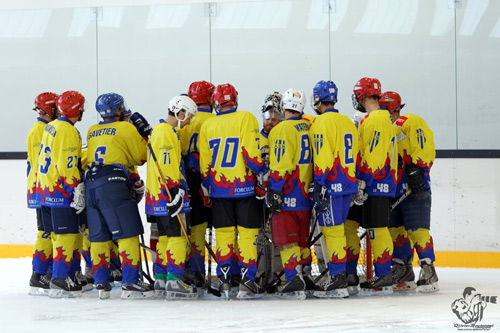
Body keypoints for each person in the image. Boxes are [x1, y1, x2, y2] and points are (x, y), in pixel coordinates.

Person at [198, 83, 267, 299]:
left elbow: (205, 164)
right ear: (235, 100)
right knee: (247, 236)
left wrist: (209, 187)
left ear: (216, 102)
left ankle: (225, 282)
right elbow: (252, 154)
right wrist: (261, 173)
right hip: (245, 189)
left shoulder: (208, 125)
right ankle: (247, 281)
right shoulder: (246, 118)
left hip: (219, 191)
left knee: (225, 235)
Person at [85, 92, 152, 299]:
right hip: (113, 183)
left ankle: (101, 284)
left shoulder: (92, 130)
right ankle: (130, 282)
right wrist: (145, 134)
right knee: (127, 234)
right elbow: (142, 156)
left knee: (99, 236)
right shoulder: (125, 127)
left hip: (91, 183)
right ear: (119, 109)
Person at [379, 91, 439, 293]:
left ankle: (428, 271)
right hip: (394, 189)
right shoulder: (384, 128)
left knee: (417, 230)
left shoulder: (410, 121)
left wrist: (418, 169)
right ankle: (403, 271)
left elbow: (424, 144)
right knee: (395, 231)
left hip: (415, 188)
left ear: (394, 107)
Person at [309, 80, 359, 298]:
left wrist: (319, 182)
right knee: (339, 230)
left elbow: (323, 156)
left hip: (331, 185)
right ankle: (343, 276)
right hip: (348, 184)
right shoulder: (347, 121)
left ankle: (337, 278)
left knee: (332, 231)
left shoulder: (321, 123)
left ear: (318, 99)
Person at [146, 95, 198, 299]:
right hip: (169, 196)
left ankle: (161, 278)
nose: (188, 122)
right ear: (180, 112)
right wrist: (175, 190)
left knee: (165, 238)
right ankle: (174, 281)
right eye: (189, 117)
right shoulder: (168, 132)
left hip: (157, 197)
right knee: (177, 237)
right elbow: (167, 165)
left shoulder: (158, 131)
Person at [35, 90, 86, 298]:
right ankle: (60, 278)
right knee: (66, 236)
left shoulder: (51, 126)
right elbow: (66, 163)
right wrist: (74, 187)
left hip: (45, 189)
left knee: (56, 236)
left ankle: (61, 275)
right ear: (77, 110)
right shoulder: (67, 130)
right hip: (60, 192)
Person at [351, 77, 397, 295]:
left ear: (362, 95)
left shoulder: (378, 118)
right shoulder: (376, 118)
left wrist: (363, 181)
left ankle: (383, 274)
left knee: (377, 228)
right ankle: (376, 272)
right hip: (375, 183)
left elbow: (375, 156)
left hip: (377, 184)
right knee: (364, 226)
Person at [266, 88, 313, 299]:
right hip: (306, 194)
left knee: (288, 241)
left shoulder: (282, 130)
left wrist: (275, 189)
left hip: (288, 193)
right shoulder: (309, 126)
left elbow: (281, 164)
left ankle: (294, 279)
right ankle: (305, 275)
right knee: (303, 240)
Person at [178, 81, 216, 289]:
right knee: (206, 229)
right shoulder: (216, 119)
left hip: (186, 179)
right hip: (210, 179)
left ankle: (190, 271)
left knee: (187, 229)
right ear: (211, 98)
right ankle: (203, 272)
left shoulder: (183, 119)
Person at [27, 92, 59, 295]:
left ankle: (45, 272)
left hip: (44, 188)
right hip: (42, 189)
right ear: (48, 109)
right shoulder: (40, 130)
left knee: (49, 231)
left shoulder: (45, 128)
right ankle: (38, 275)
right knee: (46, 231)